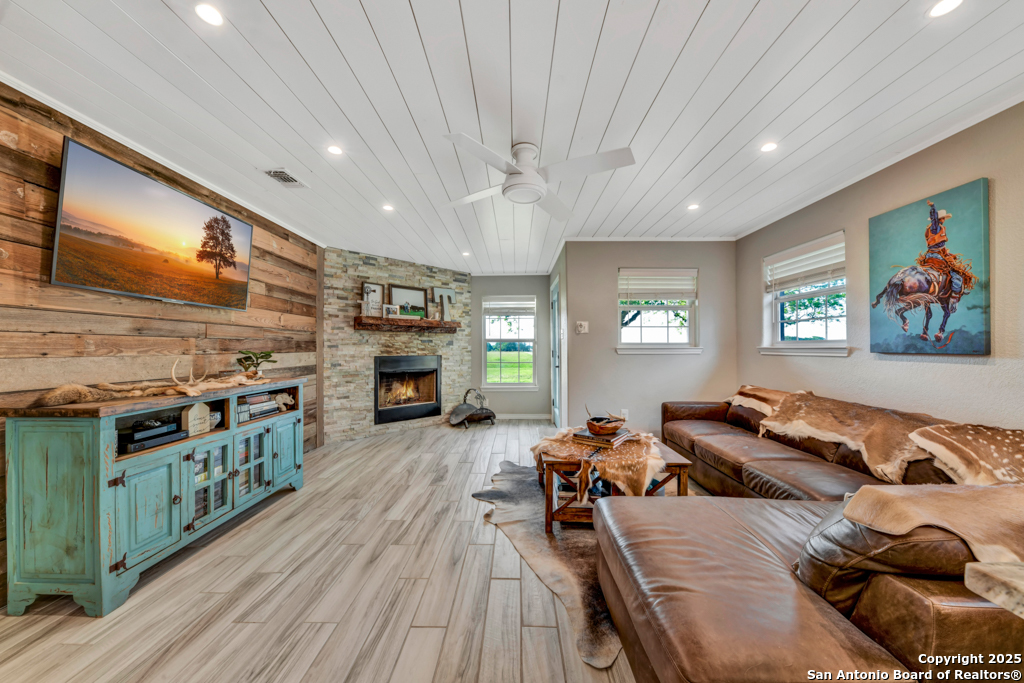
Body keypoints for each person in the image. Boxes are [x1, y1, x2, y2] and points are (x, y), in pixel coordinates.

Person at [916, 200, 975, 312]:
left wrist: (948, 254)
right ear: (940, 218)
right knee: (955, 274)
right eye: (942, 218)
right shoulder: (935, 227)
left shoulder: (937, 228)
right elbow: (934, 218)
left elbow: (940, 246)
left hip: (933, 255)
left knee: (953, 272)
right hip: (936, 256)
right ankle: (954, 297)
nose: (943, 220)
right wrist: (933, 206)